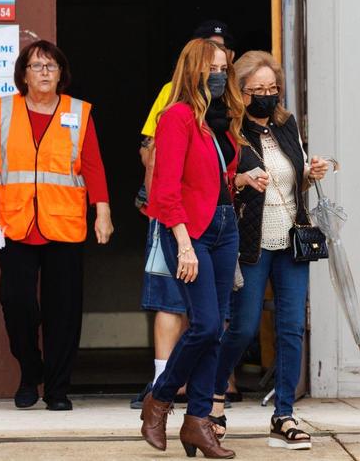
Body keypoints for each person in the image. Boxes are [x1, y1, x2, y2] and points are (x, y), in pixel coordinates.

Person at [0, 39, 114, 411]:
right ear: (23, 75)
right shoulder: (3, 110)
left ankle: (58, 388)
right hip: (15, 223)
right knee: (16, 303)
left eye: (51, 66)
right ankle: (30, 371)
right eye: (37, 66)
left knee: (63, 310)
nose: (45, 72)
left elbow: (93, 166)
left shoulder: (78, 112)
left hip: (63, 223)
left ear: (61, 73)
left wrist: (104, 212)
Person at [211, 50, 327, 451]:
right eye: (257, 89)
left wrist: (309, 173)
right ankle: (213, 400)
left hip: (292, 241)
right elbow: (216, 185)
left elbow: (293, 184)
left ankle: (284, 414)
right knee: (242, 328)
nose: (266, 95)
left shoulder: (286, 124)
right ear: (240, 91)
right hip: (251, 244)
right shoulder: (228, 129)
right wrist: (241, 179)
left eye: (272, 88)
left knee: (291, 327)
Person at [139, 38, 244, 460]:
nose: (218, 74)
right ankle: (160, 398)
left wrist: (242, 181)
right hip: (189, 230)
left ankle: (198, 422)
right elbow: (165, 191)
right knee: (201, 325)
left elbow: (217, 178)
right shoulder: (177, 117)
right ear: (193, 71)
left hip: (225, 226)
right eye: (211, 67)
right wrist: (183, 243)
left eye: (223, 67)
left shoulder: (221, 119)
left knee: (216, 328)